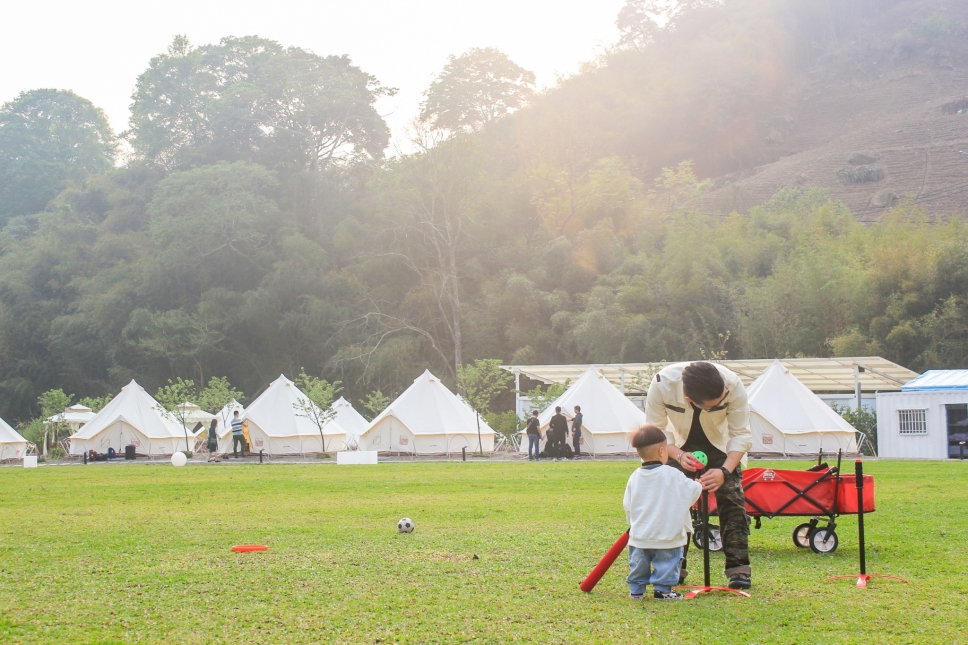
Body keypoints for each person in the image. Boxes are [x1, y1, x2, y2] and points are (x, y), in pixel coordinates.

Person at [644, 360, 753, 590]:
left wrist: (724, 471)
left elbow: (741, 433)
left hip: (722, 450)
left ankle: (739, 570)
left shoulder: (732, 384)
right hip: (677, 448)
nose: (721, 403)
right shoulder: (662, 384)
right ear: (689, 399)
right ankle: (672, 569)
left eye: (721, 401)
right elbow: (656, 431)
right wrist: (679, 455)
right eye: (714, 406)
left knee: (733, 503)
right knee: (673, 508)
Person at [624, 424, 702, 600]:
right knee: (667, 563)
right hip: (668, 535)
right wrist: (699, 484)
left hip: (640, 536)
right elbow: (690, 491)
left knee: (638, 565)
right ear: (661, 451)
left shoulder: (635, 476)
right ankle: (663, 590)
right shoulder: (672, 474)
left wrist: (633, 524)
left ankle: (636, 591)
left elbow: (628, 504)